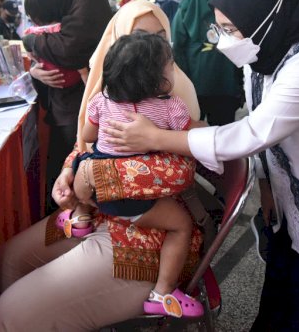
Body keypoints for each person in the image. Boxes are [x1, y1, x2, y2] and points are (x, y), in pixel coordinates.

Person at [104, 0, 299, 331]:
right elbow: (262, 124)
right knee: (280, 265)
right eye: (220, 28)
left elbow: (253, 133)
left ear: (268, 19)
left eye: (230, 28)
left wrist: (155, 138)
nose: (224, 39)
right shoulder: (262, 53)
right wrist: (269, 188)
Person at [0, 0, 201, 331]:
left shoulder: (175, 91)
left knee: (10, 316)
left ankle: (159, 293)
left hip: (143, 232)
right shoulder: (107, 90)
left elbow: (182, 171)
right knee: (9, 258)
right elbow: (87, 143)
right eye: (142, 37)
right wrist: (70, 171)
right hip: (94, 211)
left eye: (162, 36)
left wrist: (93, 175)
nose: (155, 48)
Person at [63, 31, 202, 317]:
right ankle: (163, 294)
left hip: (93, 187)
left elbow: (88, 135)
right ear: (159, 79)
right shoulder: (170, 106)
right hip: (129, 199)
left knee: (85, 160)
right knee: (181, 225)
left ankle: (81, 217)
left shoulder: (101, 100)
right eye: (170, 65)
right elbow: (189, 136)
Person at [23, 0, 112, 199]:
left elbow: (69, 48)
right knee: (62, 172)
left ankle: (73, 227)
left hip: (81, 103)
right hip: (62, 100)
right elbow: (52, 40)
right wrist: (34, 69)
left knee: (72, 172)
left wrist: (30, 41)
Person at [172, 0, 242, 125]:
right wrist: (184, 84)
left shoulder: (236, 5)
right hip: (194, 88)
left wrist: (240, 86)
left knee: (224, 140)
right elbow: (178, 49)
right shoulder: (186, 9)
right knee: (193, 139)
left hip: (226, 86)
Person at [23, 0, 82, 88]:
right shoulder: (66, 28)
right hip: (75, 80)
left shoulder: (32, 34)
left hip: (54, 86)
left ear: (32, 15)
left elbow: (33, 57)